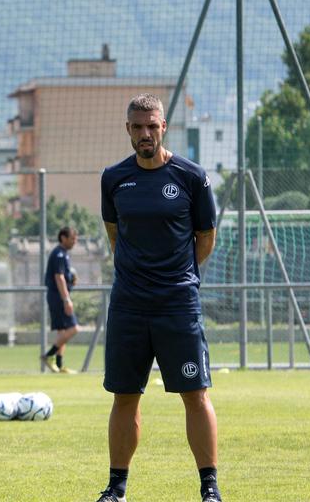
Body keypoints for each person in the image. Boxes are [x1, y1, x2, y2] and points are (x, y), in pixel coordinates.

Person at [96, 94, 220, 502]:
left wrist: (176, 276)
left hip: (177, 304)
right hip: (129, 305)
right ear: (127, 129)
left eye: (152, 125)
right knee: (125, 396)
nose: (145, 133)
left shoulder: (191, 176)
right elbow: (116, 237)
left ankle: (209, 488)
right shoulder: (113, 178)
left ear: (164, 127)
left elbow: (205, 239)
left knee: (195, 395)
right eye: (137, 126)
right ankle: (116, 488)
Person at [42, 226, 80, 374]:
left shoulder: (64, 254)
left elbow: (65, 276)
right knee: (74, 328)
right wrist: (66, 300)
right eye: (72, 239)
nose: (74, 242)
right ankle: (49, 355)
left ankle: (58, 365)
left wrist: (72, 281)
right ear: (63, 238)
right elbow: (59, 277)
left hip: (58, 296)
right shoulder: (59, 254)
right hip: (58, 297)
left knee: (62, 332)